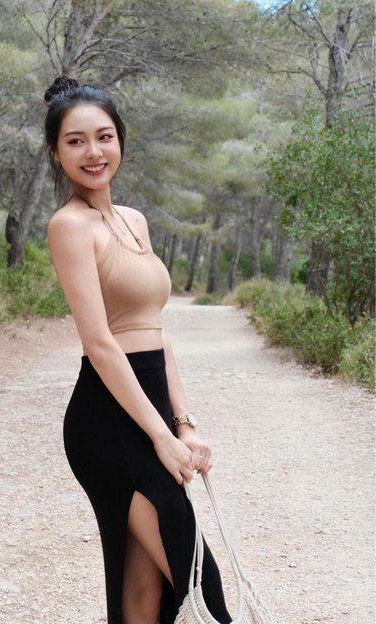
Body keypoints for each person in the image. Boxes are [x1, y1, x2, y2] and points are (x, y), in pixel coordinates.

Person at [45, 76, 232, 624]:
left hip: (150, 414)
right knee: (201, 585)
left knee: (146, 590)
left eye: (104, 136)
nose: (93, 152)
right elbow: (100, 344)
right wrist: (160, 437)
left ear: (120, 141)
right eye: (75, 141)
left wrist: (184, 424)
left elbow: (156, 330)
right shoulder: (69, 226)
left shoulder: (133, 221)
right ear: (56, 153)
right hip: (108, 421)